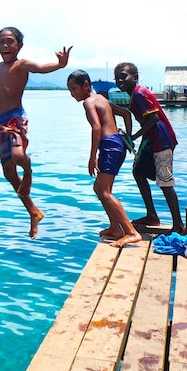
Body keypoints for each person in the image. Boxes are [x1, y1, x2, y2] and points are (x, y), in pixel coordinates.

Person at [0, 27, 72, 239]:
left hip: (16, 118)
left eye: (10, 41)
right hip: (0, 121)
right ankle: (34, 212)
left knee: (18, 156)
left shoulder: (21, 65)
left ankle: (28, 170)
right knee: (8, 172)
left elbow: (42, 68)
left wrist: (60, 64)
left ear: (19, 45)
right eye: (1, 42)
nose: (5, 46)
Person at [67, 70, 141, 247]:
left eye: (74, 89)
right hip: (116, 144)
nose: (72, 94)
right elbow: (126, 114)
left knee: (104, 192)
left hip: (109, 146)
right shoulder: (102, 98)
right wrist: (127, 138)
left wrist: (92, 157)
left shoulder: (88, 102)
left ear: (86, 85)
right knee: (99, 188)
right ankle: (115, 227)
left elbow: (96, 128)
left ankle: (131, 232)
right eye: (69, 90)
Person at [114, 62, 185, 233]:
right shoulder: (134, 96)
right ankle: (152, 216)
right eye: (116, 78)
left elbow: (153, 119)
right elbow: (148, 123)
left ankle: (178, 225)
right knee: (138, 171)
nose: (119, 80)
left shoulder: (139, 93)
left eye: (123, 76)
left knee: (165, 181)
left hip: (162, 141)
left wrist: (133, 137)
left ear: (135, 78)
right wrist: (139, 149)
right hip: (152, 140)